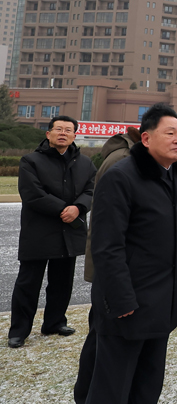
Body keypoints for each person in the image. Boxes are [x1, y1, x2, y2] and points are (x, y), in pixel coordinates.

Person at [86, 104, 177, 404]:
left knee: (148, 383)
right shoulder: (122, 176)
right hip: (128, 303)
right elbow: (107, 246)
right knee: (113, 387)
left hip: (162, 302)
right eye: (170, 133)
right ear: (146, 139)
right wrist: (121, 299)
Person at [8, 115, 95, 349]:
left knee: (62, 283)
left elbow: (92, 188)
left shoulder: (85, 163)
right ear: (48, 134)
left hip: (70, 232)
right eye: (58, 129)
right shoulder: (31, 161)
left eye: (68, 130)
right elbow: (32, 194)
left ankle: (54, 322)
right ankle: (19, 331)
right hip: (39, 232)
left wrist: (78, 208)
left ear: (75, 135)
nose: (63, 133)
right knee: (28, 284)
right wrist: (63, 209)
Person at [73, 126, 140, 403]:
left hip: (117, 267)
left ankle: (87, 392)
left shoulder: (128, 155)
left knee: (100, 335)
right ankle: (86, 393)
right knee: (101, 338)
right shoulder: (122, 160)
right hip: (113, 268)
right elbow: (107, 227)